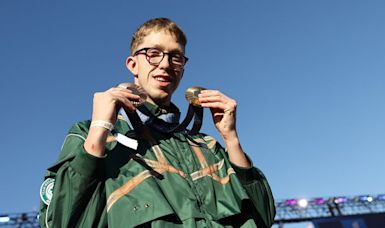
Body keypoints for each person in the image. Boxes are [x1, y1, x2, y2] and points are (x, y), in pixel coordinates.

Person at [39, 17, 275, 227]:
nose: (165, 64)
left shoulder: (206, 145)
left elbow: (263, 216)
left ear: (182, 69)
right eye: (153, 53)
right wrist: (99, 130)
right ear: (133, 64)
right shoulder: (93, 136)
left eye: (176, 57)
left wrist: (231, 138)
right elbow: (58, 220)